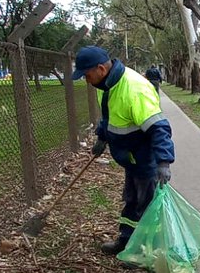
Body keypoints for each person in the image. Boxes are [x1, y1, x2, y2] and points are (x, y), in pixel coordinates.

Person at [73, 46, 175, 255]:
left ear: (101, 68)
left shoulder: (133, 89)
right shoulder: (110, 86)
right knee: (131, 201)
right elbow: (110, 116)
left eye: (87, 75)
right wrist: (103, 137)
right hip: (131, 158)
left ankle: (150, 251)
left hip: (145, 160)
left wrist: (164, 162)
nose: (87, 80)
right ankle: (128, 241)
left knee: (146, 207)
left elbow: (159, 128)